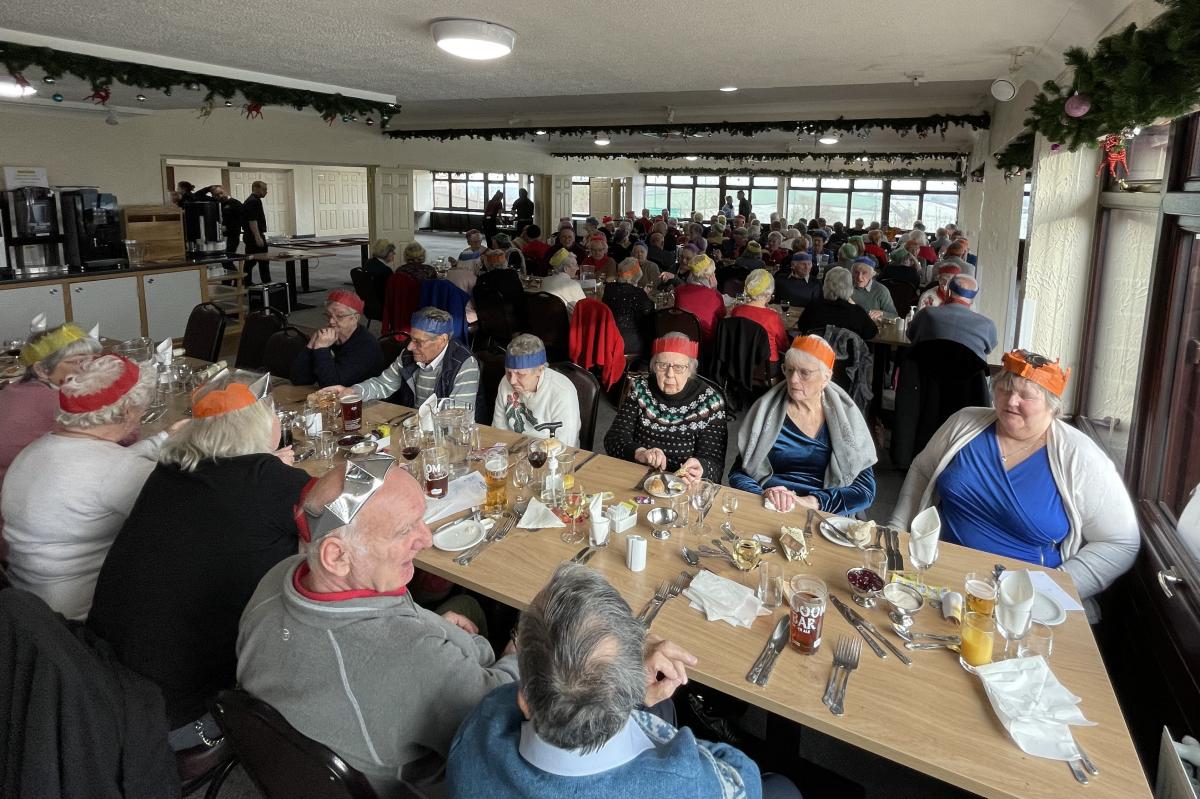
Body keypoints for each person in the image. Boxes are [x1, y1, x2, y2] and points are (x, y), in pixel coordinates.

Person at [237, 456, 519, 797]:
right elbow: (501, 721)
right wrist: (520, 651)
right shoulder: (415, 659)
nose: (426, 539)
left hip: (322, 746)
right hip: (427, 782)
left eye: (421, 520)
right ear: (337, 556)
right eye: (405, 530)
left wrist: (431, 630)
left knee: (465, 606)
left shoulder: (277, 578)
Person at [87, 375, 313, 749]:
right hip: (180, 717)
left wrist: (265, 465)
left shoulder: (169, 470)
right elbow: (341, 529)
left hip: (106, 688)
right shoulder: (270, 481)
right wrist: (273, 468)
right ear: (258, 425)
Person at [447, 563, 799, 799]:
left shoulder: (477, 734)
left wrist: (620, 690)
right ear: (629, 690)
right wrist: (636, 704)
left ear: (525, 699)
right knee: (785, 787)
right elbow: (741, 776)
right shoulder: (682, 780)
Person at [889, 351, 1139, 618]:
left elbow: (1121, 542)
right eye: (1004, 389)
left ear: (1052, 405)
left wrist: (1051, 590)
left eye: (1027, 395)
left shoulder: (1081, 457)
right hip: (940, 574)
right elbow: (922, 471)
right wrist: (896, 531)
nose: (1011, 400)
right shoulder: (964, 422)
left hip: (1020, 602)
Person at [1, 355, 167, 620]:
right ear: (127, 412)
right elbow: (179, 516)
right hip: (77, 625)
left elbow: (98, 468)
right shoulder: (117, 470)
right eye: (143, 410)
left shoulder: (36, 450)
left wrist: (163, 439)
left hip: (22, 607)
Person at [729, 336, 877, 515]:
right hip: (769, 507)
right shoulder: (765, 411)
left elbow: (865, 490)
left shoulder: (847, 418)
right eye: (789, 370)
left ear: (826, 376)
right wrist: (765, 495)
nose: (792, 380)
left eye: (804, 373)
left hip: (822, 513)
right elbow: (738, 473)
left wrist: (810, 502)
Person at [605, 334, 727, 485]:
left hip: (684, 486)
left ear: (690, 370)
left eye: (679, 368)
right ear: (654, 367)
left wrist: (701, 468)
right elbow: (613, 439)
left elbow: (715, 464)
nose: (670, 374)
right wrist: (640, 453)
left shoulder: (710, 403)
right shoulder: (640, 389)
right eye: (662, 365)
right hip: (638, 478)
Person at [0, 324, 101, 497]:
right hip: (22, 500)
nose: (89, 368)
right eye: (78, 361)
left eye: (92, 359)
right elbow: (119, 438)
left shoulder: (15, 388)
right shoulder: (54, 402)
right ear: (41, 369)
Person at [323, 307, 481, 411]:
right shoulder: (408, 356)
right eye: (411, 339)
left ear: (442, 340)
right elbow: (383, 384)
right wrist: (352, 391)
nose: (410, 347)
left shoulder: (464, 364)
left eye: (418, 342)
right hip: (415, 427)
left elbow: (456, 417)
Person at [492, 335, 581, 446]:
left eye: (520, 374)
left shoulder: (562, 392)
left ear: (540, 370)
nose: (512, 380)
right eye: (509, 372)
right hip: (512, 451)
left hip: (549, 456)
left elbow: (564, 447)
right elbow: (498, 431)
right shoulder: (505, 381)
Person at [291, 290, 385, 387]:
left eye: (339, 316)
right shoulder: (328, 338)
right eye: (328, 315)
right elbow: (298, 380)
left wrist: (321, 349)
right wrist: (310, 346)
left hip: (365, 400)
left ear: (355, 318)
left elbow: (332, 386)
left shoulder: (366, 346)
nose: (331, 321)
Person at [906, 276, 997, 361]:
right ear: (973, 299)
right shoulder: (988, 325)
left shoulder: (927, 314)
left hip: (927, 374)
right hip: (967, 376)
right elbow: (988, 350)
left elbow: (911, 335)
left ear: (948, 292)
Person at [796, 266, 879, 342]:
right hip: (846, 357)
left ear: (825, 286)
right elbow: (871, 333)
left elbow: (802, 327)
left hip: (817, 356)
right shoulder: (857, 312)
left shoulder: (813, 307)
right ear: (850, 288)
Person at [731, 269, 790, 365]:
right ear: (769, 293)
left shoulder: (736, 311)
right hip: (766, 367)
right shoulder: (772, 317)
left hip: (740, 362)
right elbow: (783, 346)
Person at [603, 258, 655, 356]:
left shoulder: (608, 288)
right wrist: (644, 295)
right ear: (635, 277)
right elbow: (649, 312)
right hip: (630, 343)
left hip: (609, 339)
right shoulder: (639, 293)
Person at [674, 254, 726, 342]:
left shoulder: (679, 290)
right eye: (713, 272)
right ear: (709, 276)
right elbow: (722, 314)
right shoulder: (715, 295)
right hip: (706, 341)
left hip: (683, 338)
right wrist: (715, 289)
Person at [241, 180, 271, 285]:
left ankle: (246, 282)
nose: (266, 192)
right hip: (254, 235)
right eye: (264, 189)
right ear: (256, 188)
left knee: (250, 261)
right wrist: (258, 237)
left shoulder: (251, 200)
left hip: (250, 235)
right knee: (263, 261)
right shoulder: (254, 201)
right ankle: (267, 283)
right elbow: (252, 220)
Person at [542, 248, 587, 314]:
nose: (577, 268)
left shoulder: (545, 280)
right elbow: (584, 307)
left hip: (547, 320)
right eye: (575, 265)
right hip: (567, 322)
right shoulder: (573, 285)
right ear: (566, 269)